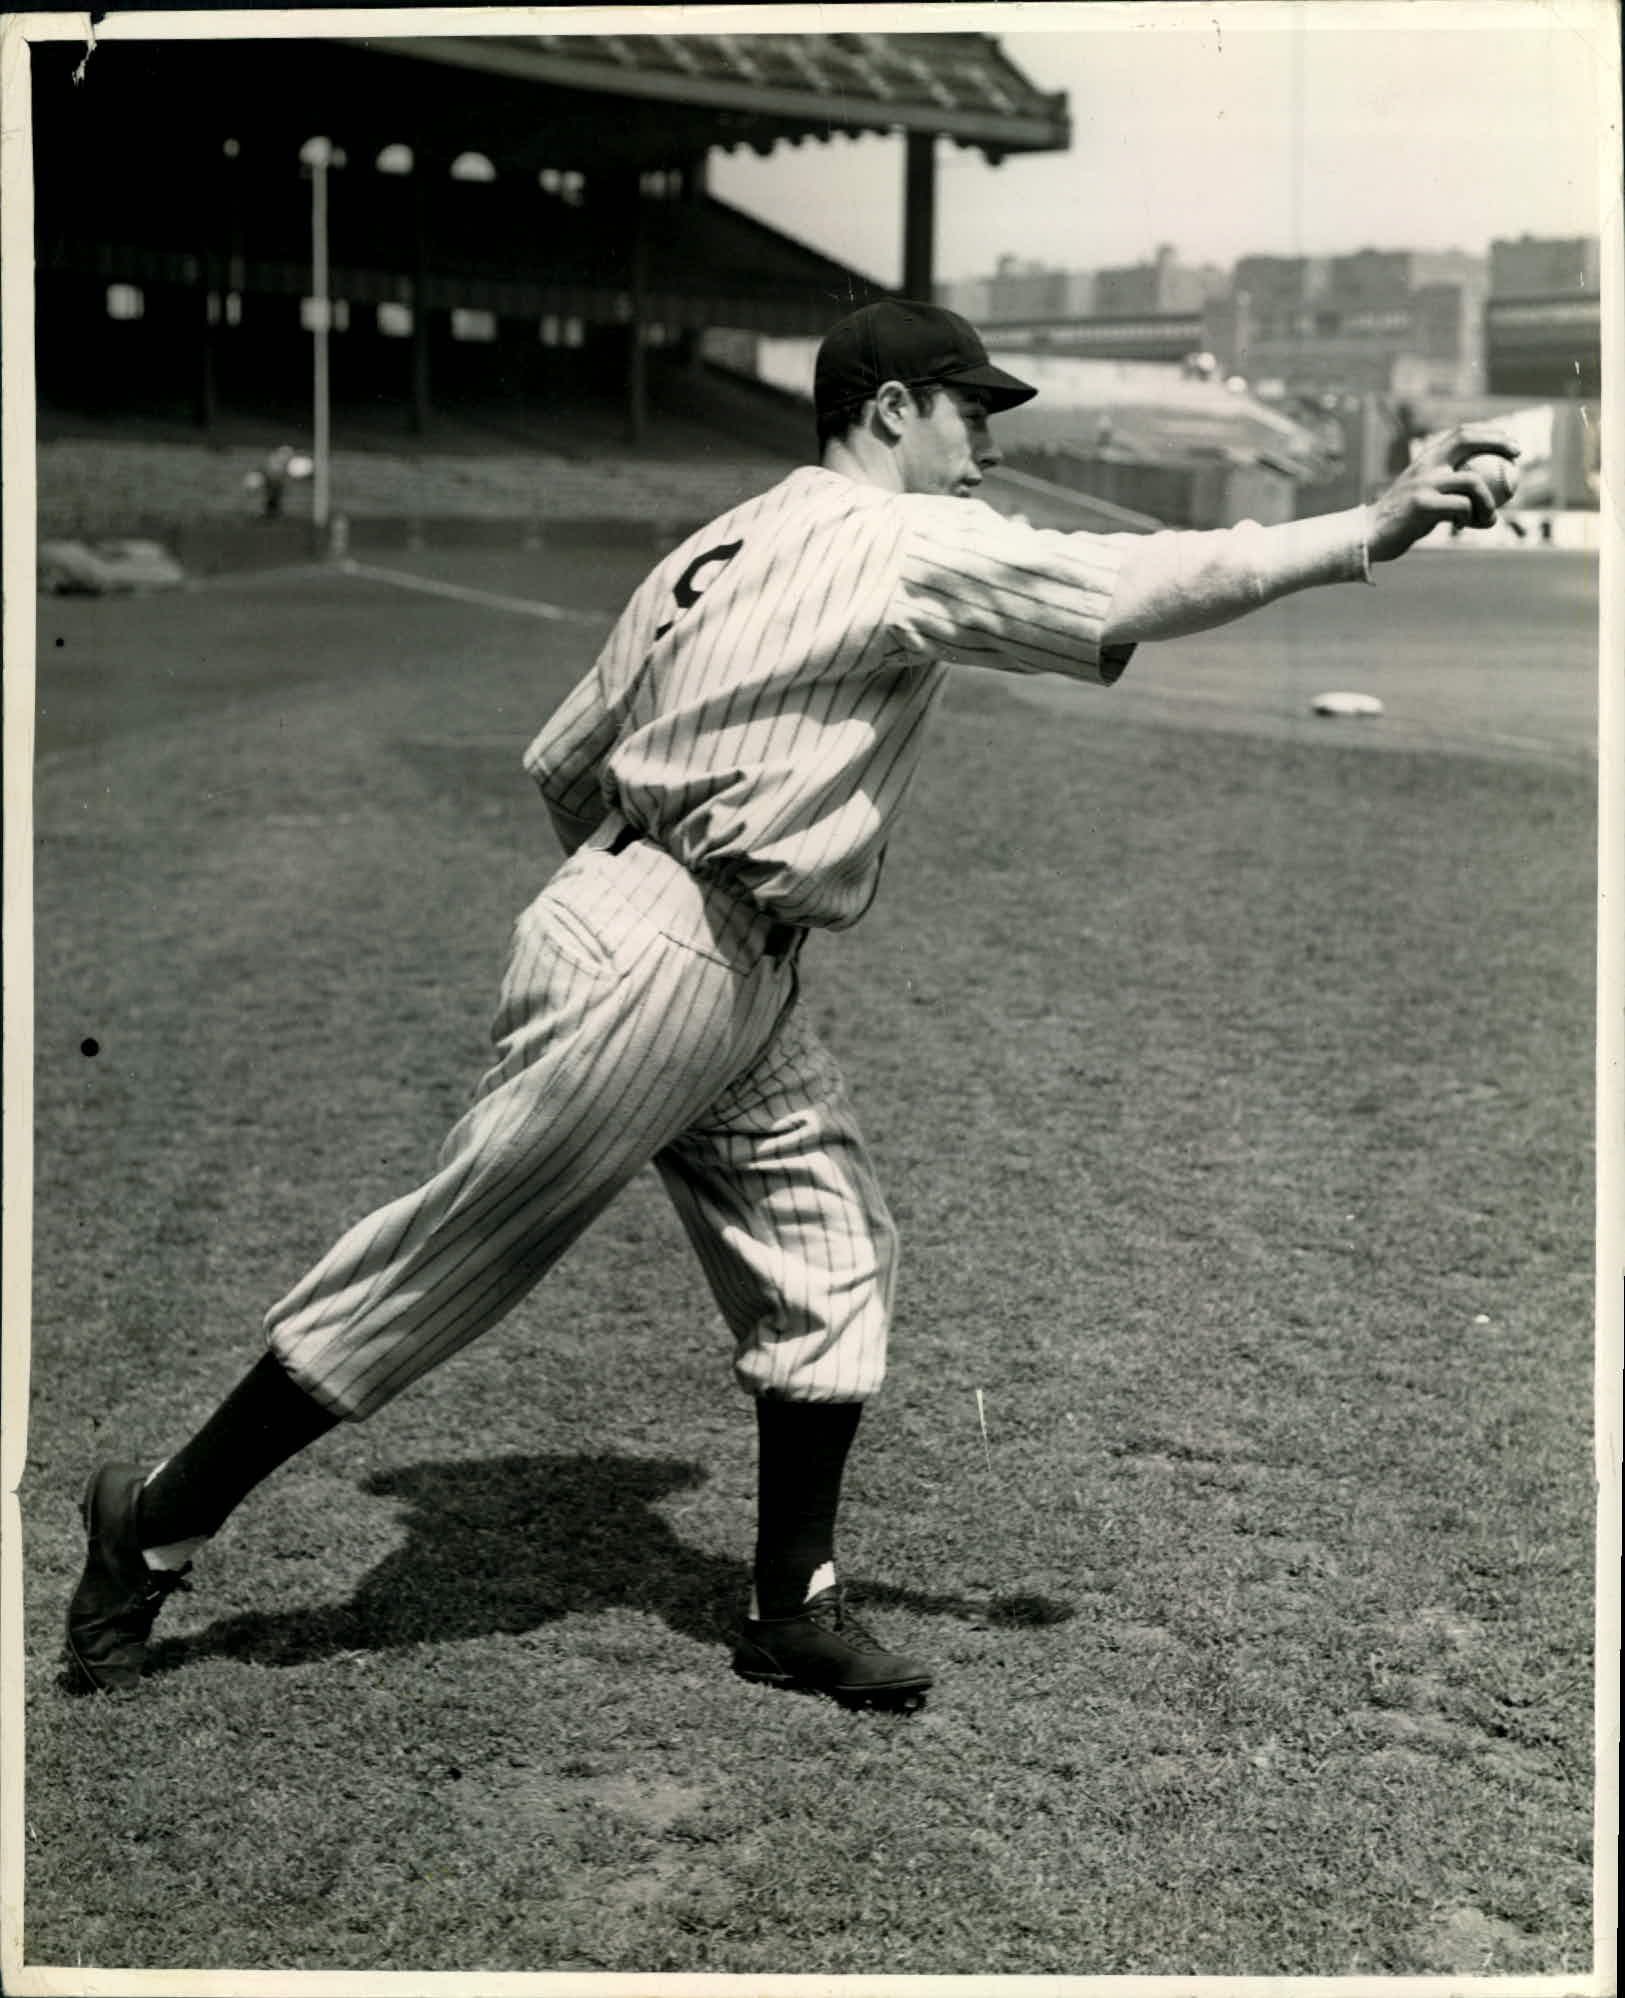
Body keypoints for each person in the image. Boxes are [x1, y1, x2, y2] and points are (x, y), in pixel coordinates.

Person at [65, 300, 1517, 1710]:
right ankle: (154, 1521)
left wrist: (624, 891)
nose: (985, 443)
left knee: (827, 1254)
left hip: (693, 939)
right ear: (889, 410)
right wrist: (1368, 527)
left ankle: (792, 1606)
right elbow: (1131, 584)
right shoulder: (893, 534)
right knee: (446, 1261)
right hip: (671, 948)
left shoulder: (711, 543)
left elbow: (564, 759)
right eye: (969, 411)